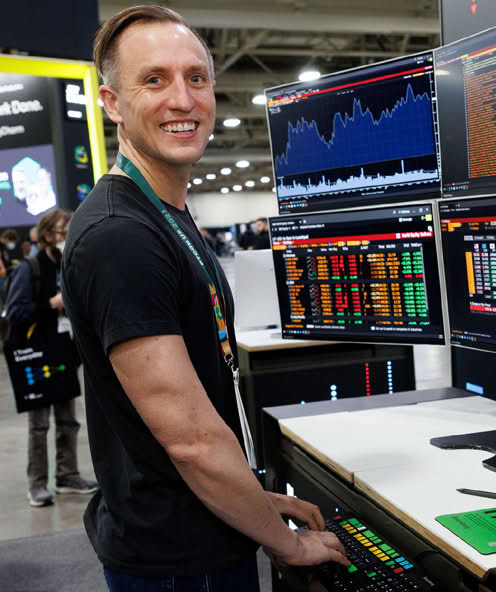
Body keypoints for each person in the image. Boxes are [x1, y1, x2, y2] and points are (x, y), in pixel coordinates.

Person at [61, 6, 348, 590]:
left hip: (200, 523)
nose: (183, 100)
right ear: (113, 103)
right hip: (179, 560)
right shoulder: (121, 237)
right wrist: (288, 544)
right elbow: (191, 441)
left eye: (196, 78)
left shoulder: (166, 214)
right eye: (154, 79)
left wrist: (257, 502)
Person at [4, 209, 99, 506]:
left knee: (68, 420)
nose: (68, 237)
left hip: (66, 353)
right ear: (47, 236)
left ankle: (68, 475)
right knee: (39, 423)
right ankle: (38, 484)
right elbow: (15, 313)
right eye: (63, 232)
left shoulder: (73, 263)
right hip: (37, 354)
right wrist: (51, 303)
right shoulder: (29, 268)